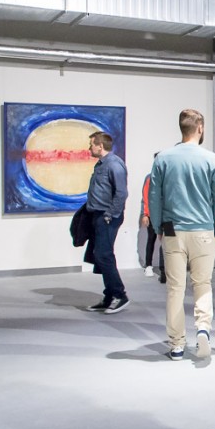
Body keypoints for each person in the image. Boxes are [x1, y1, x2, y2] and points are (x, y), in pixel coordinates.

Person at [149, 109, 215, 361]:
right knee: (202, 283)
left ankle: (177, 344)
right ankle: (203, 328)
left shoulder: (163, 159)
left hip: (172, 229)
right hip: (203, 229)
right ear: (200, 128)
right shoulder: (212, 159)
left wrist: (158, 228)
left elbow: (154, 198)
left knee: (175, 288)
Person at [84, 131, 130, 314]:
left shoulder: (114, 165)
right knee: (100, 255)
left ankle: (119, 295)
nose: (89, 148)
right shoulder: (101, 164)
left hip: (108, 216)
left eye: (91, 144)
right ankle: (109, 296)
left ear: (100, 146)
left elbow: (121, 193)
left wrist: (110, 214)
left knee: (104, 255)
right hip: (98, 215)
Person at [139, 155, 165, 283]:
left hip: (167, 216)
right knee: (151, 239)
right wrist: (145, 214)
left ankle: (165, 270)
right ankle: (148, 266)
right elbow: (145, 197)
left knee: (168, 241)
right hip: (153, 215)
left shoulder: (170, 176)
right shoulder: (150, 178)